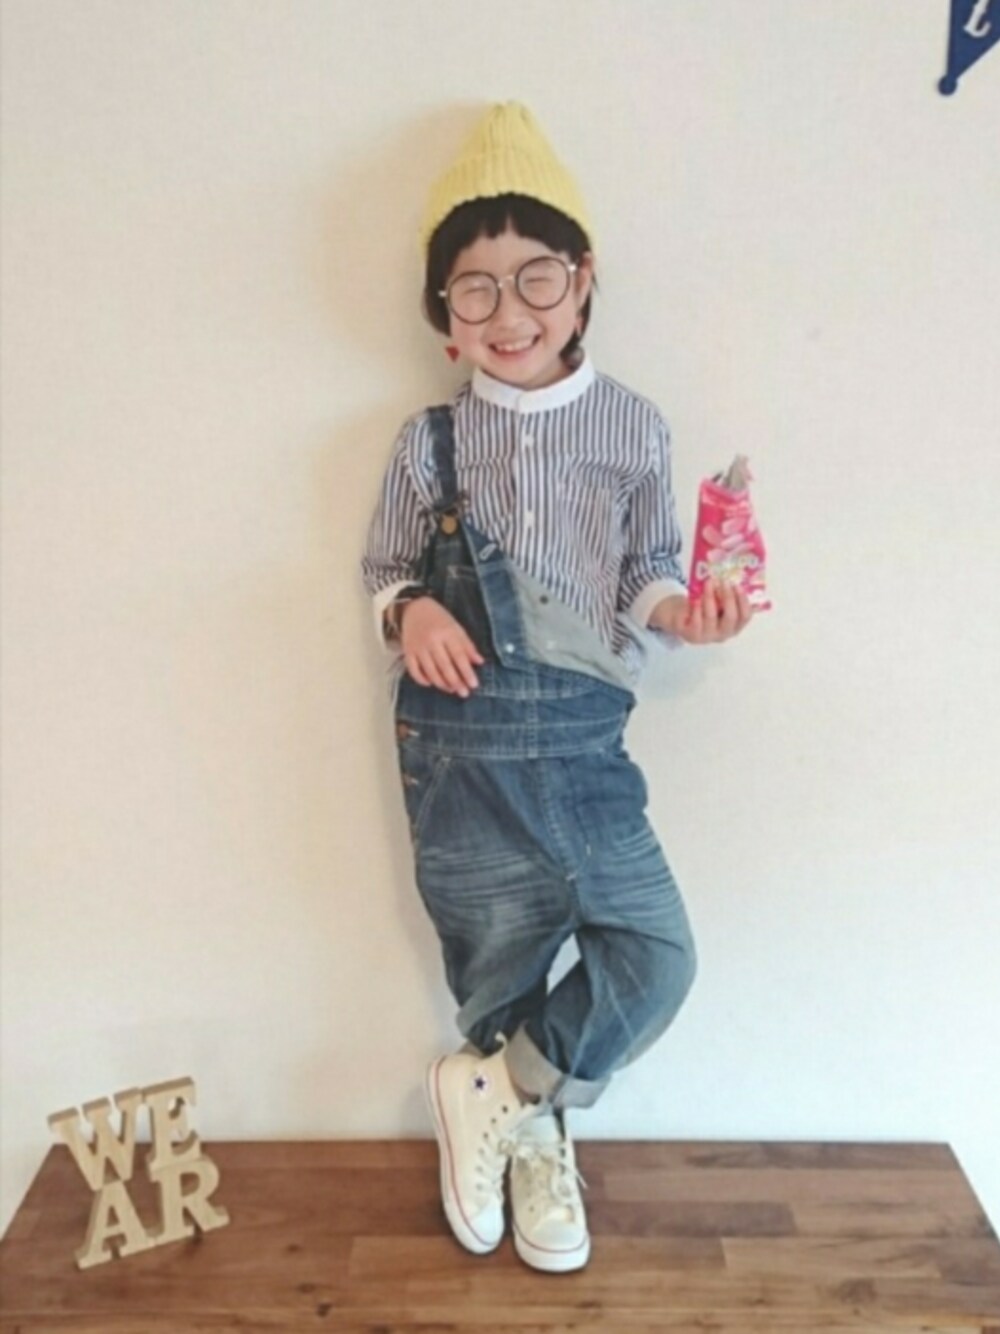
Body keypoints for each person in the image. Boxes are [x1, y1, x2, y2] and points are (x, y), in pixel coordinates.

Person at [361, 101, 754, 1273]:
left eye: (535, 278)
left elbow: (645, 571)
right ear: (444, 316)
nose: (508, 311)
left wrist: (681, 612)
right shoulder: (426, 443)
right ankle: (533, 1135)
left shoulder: (633, 427)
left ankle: (500, 1091)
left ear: (581, 284)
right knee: (499, 973)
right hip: (463, 757)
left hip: (587, 754)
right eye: (473, 289)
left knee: (655, 954)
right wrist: (412, 610)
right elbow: (383, 570)